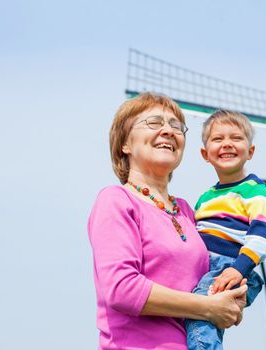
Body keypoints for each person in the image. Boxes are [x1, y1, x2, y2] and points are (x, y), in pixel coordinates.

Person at [88, 93, 248, 350]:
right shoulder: (117, 200)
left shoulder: (187, 211)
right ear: (125, 144)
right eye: (153, 123)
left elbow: (210, 275)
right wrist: (208, 308)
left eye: (176, 126)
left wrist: (233, 296)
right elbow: (122, 289)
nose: (168, 131)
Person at [185, 110, 266, 349]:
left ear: (251, 151)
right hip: (206, 266)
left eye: (236, 138)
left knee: (200, 314)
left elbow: (263, 233)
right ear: (205, 154)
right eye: (218, 139)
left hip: (229, 266)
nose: (227, 143)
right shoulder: (205, 197)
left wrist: (240, 269)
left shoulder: (255, 191)